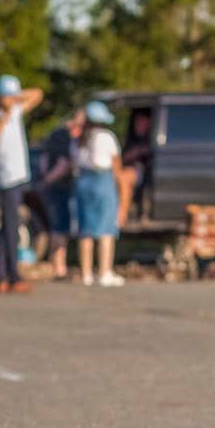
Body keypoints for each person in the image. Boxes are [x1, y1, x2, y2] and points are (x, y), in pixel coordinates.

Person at [0, 74, 43, 294]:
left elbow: (37, 94)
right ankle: (12, 276)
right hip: (4, 178)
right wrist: (3, 115)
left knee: (8, 227)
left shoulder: (16, 110)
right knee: (10, 228)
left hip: (17, 176)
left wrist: (15, 97)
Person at [75, 100, 125, 287]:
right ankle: (104, 272)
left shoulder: (80, 139)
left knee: (86, 229)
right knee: (106, 229)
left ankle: (86, 273)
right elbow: (116, 168)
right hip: (102, 182)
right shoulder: (107, 137)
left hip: (83, 182)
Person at [37, 108, 84, 280]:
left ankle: (56, 265)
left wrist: (45, 178)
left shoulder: (55, 134)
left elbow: (43, 159)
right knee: (60, 228)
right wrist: (49, 180)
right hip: (60, 186)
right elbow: (63, 164)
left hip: (55, 186)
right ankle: (59, 268)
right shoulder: (64, 136)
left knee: (57, 227)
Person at [115, 109, 152, 228]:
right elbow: (123, 157)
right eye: (137, 121)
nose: (139, 124)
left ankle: (121, 216)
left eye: (142, 121)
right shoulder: (131, 138)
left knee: (124, 178)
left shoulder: (152, 137)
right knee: (122, 178)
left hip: (142, 172)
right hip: (129, 170)